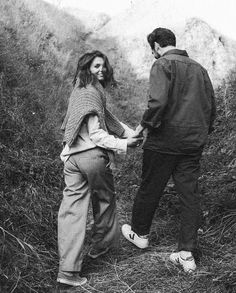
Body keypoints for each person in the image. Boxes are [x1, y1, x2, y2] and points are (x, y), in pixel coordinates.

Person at [121, 27, 216, 273]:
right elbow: (211, 107)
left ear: (156, 46)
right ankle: (186, 253)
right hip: (192, 144)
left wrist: (143, 126)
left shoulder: (162, 64)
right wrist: (202, 134)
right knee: (189, 196)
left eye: (152, 50)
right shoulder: (200, 68)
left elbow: (158, 102)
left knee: (150, 187)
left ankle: (140, 234)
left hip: (164, 142)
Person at [57, 50, 142, 287]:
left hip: (71, 158)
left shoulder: (79, 91)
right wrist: (125, 143)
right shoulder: (92, 94)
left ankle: (67, 271)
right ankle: (100, 248)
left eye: (103, 66)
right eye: (96, 66)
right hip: (91, 156)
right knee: (104, 200)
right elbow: (97, 134)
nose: (101, 70)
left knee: (71, 212)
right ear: (86, 68)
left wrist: (129, 133)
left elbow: (109, 119)